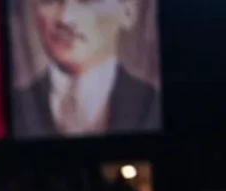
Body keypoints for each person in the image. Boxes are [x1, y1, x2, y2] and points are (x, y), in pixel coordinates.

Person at [11, 0, 161, 138]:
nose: (65, 18)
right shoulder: (14, 108)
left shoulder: (156, 106)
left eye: (86, 2)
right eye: (50, 1)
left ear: (128, 12)